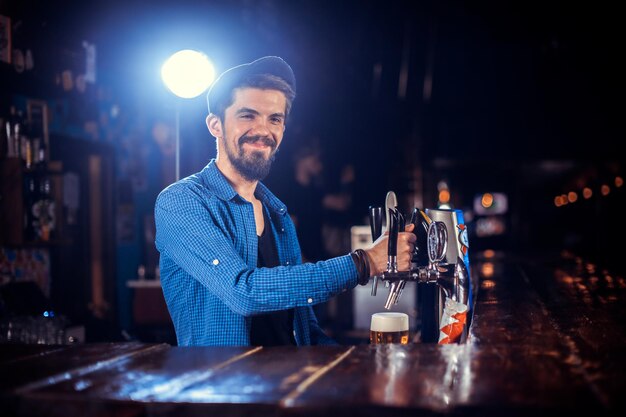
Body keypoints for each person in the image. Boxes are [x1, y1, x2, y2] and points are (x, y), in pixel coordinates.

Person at [154, 56, 415, 346]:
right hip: (221, 386)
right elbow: (244, 292)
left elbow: (304, 332)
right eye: (247, 115)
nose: (264, 130)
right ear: (215, 125)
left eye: (274, 119)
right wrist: (364, 262)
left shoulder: (277, 215)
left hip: (287, 386)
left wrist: (361, 367)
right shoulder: (180, 202)